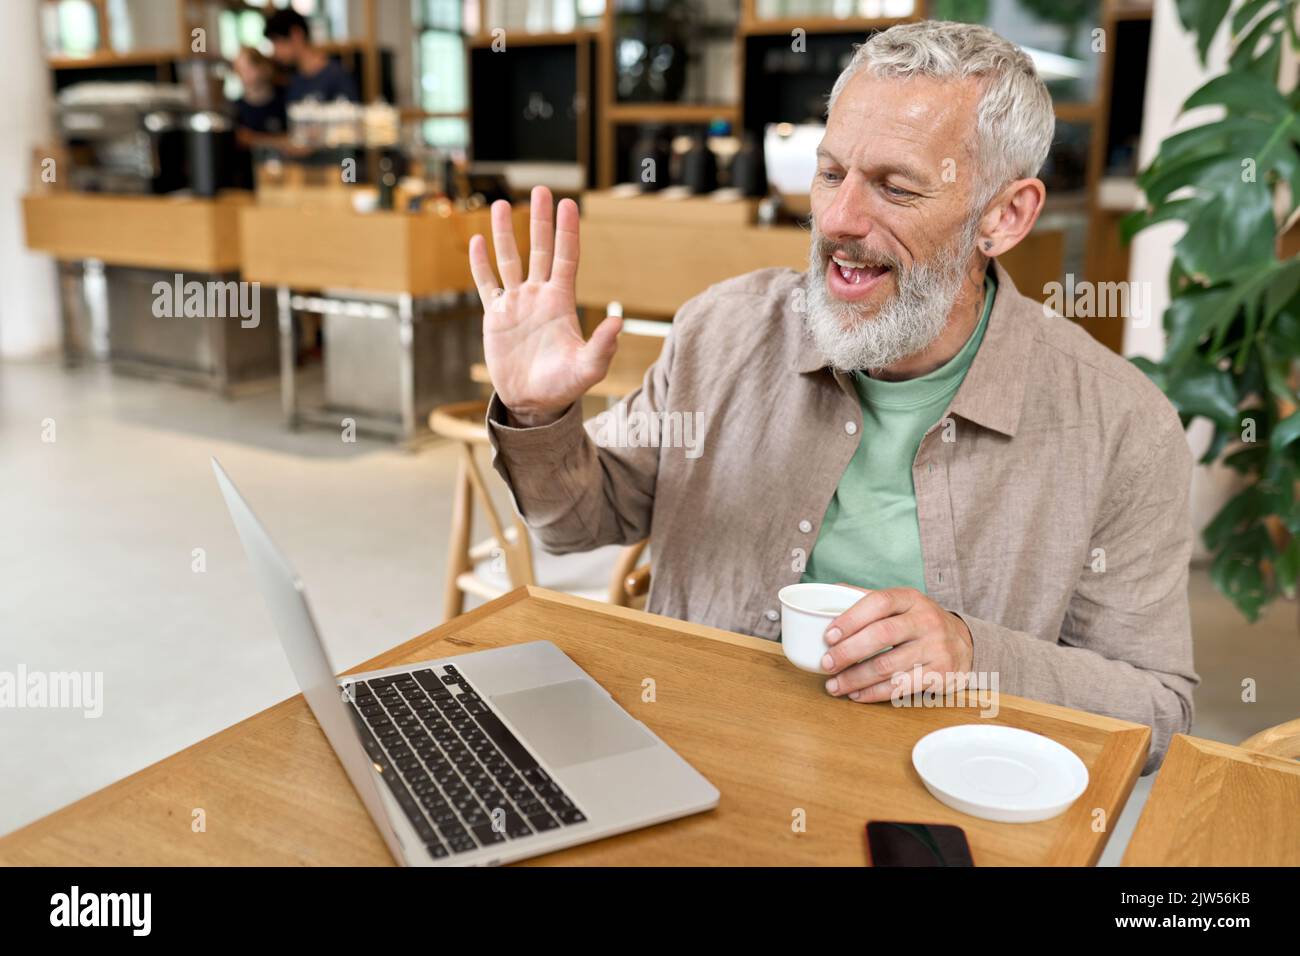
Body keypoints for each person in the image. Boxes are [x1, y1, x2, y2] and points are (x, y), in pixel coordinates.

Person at [467, 22, 1197, 773]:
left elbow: (1158, 709)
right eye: (829, 173)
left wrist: (976, 655)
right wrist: (538, 416)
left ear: (1004, 217)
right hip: (692, 759)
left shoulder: (1121, 426)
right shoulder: (725, 328)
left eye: (896, 186)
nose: (841, 220)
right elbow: (579, 521)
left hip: (940, 800)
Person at [263, 7, 359, 104]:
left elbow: (352, 112)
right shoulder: (290, 79)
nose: (275, 52)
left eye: (277, 42)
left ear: (296, 35)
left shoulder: (336, 75)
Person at [231, 46, 287, 146]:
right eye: (241, 70)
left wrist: (254, 138)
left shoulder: (284, 98)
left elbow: (295, 139)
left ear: (263, 67)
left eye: (249, 68)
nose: (245, 75)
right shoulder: (235, 109)